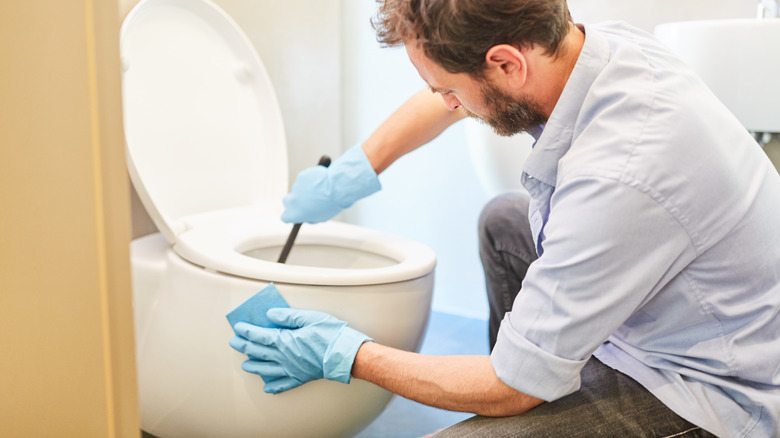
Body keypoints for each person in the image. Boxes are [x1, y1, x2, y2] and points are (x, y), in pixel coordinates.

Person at [227, 0, 780, 436]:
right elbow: (447, 96)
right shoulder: (594, 46)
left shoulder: (623, 169)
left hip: (713, 385)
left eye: (448, 90)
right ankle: (538, 389)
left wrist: (347, 353)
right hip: (677, 310)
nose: (446, 102)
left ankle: (532, 385)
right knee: (504, 223)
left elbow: (509, 386)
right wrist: (358, 167)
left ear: (506, 64)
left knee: (502, 400)